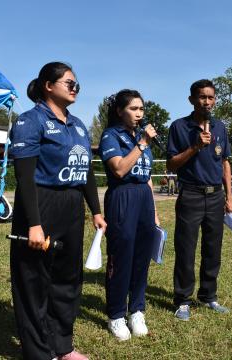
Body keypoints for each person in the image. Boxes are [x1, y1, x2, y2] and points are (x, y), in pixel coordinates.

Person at [9, 62, 106, 360]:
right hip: (41, 202)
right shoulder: (30, 121)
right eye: (69, 83)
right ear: (48, 86)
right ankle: (39, 353)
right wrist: (34, 224)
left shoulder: (78, 124)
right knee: (34, 282)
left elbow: (86, 169)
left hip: (72, 206)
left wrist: (96, 210)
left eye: (77, 84)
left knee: (68, 280)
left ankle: (63, 346)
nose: (75, 88)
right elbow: (25, 177)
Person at [167, 79, 232, 321]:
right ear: (192, 100)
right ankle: (182, 300)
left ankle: (208, 296)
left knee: (212, 249)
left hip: (216, 195)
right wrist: (195, 147)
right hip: (191, 194)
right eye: (202, 97)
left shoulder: (220, 127)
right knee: (186, 249)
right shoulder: (179, 127)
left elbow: (225, 163)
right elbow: (171, 164)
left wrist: (229, 196)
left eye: (211, 97)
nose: (207, 101)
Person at [98, 89, 160, 341]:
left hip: (143, 198)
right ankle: (116, 314)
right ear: (119, 111)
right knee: (121, 256)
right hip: (122, 196)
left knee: (141, 257)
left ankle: (136, 310)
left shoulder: (139, 136)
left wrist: (154, 211)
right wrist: (142, 143)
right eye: (133, 108)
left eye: (141, 109)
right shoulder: (111, 136)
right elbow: (120, 169)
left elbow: (146, 178)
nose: (139, 113)